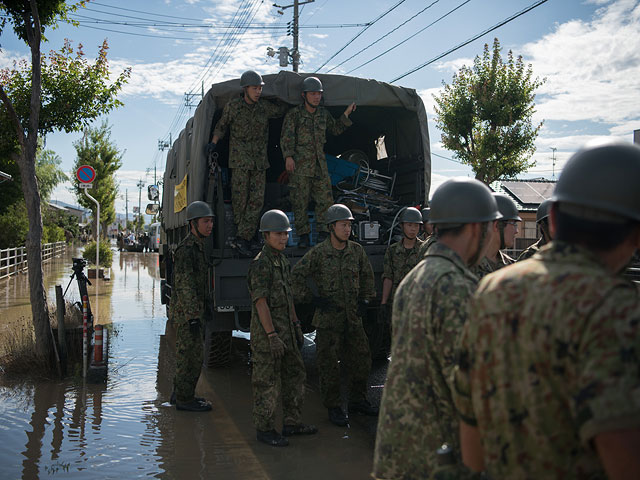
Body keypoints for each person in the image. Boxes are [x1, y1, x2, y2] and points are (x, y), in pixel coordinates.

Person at [452, 141, 640, 479]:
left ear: (552, 217)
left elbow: (473, 450)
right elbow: (624, 459)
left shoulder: (493, 290)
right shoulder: (617, 309)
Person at [373, 178, 500, 479]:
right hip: (434, 460)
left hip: (400, 452)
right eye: (490, 227)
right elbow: (471, 394)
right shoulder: (457, 288)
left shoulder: (416, 277)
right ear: (474, 228)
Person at [291, 204, 376, 426]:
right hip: (329, 320)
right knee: (328, 366)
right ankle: (334, 407)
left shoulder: (356, 251)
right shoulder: (319, 253)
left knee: (362, 360)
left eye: (349, 225)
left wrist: (366, 300)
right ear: (331, 227)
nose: (347, 229)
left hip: (353, 318)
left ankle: (358, 400)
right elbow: (296, 276)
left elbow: (367, 276)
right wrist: (311, 298)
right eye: (343, 225)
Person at [247, 210, 318, 447]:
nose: (283, 238)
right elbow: (261, 302)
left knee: (295, 375)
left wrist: (297, 325)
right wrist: (271, 335)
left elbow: (288, 299)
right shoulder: (261, 265)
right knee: (267, 382)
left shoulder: (282, 261)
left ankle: (292, 422)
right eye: (278, 234)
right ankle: (265, 429)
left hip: (286, 333)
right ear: (266, 235)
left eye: (286, 234)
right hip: (269, 337)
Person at [209, 70, 289, 257]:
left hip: (260, 163)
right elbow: (222, 125)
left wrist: (283, 94)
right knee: (240, 202)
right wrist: (213, 143)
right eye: (255, 88)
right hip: (240, 162)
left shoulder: (264, 107)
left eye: (260, 88)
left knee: (256, 201)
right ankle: (244, 238)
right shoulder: (234, 106)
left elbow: (282, 109)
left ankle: (243, 238)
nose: (258, 91)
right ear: (245, 89)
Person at [280, 76, 356, 248]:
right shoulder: (295, 115)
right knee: (300, 201)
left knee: (325, 200)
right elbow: (286, 137)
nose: (316, 97)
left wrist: (346, 114)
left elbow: (335, 129)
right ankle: (304, 236)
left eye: (319, 94)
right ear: (304, 95)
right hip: (299, 166)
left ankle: (323, 234)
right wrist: (288, 157)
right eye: (313, 94)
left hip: (319, 166)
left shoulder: (323, 114)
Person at [170, 200, 214, 412]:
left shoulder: (198, 247)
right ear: (193, 224)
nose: (210, 225)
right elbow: (184, 284)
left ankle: (179, 393)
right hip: (188, 315)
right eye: (205, 222)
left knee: (188, 354)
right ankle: (185, 400)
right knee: (191, 357)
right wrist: (193, 316)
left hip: (193, 311)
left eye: (211, 221)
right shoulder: (186, 249)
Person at [380, 207, 424, 320]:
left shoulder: (425, 249)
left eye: (416, 225)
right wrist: (384, 303)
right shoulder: (392, 250)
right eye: (409, 225)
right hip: (397, 305)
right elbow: (388, 277)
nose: (413, 229)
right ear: (402, 226)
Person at [473, 193, 521, 279]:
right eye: (513, 223)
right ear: (496, 225)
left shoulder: (512, 267)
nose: (516, 231)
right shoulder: (466, 266)